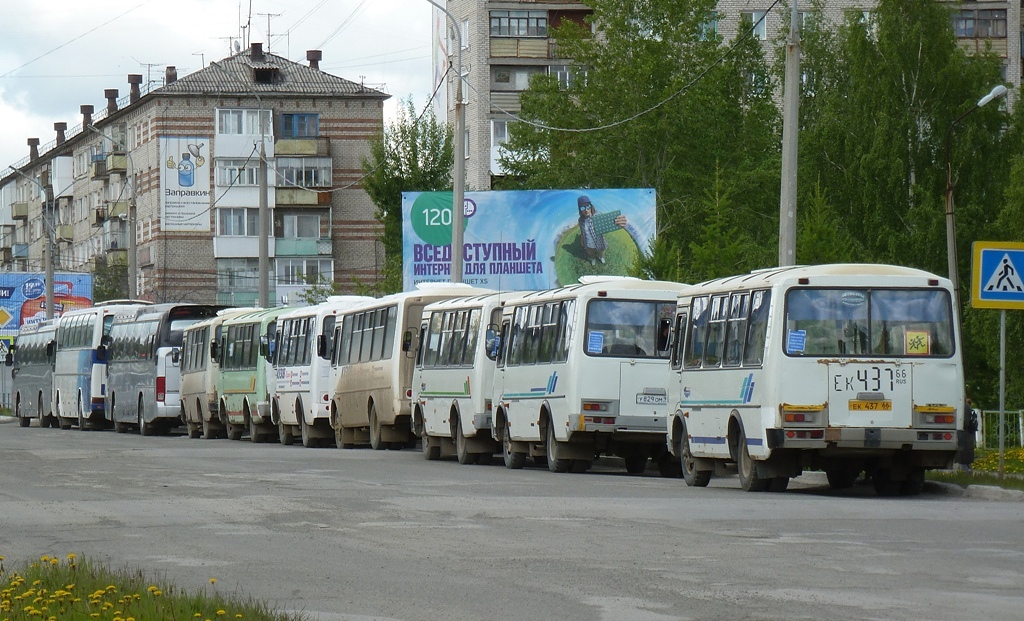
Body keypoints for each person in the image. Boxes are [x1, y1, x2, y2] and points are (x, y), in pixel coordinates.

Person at [577, 195, 627, 266]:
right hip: (588, 243)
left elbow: (610, 222)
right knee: (590, 253)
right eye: (583, 208)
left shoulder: (598, 215)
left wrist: (619, 221)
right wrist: (582, 239)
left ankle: (601, 257)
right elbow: (582, 231)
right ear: (580, 210)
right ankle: (593, 258)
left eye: (588, 206)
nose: (586, 210)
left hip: (599, 240)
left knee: (601, 251)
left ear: (591, 206)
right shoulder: (581, 220)